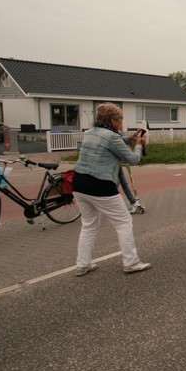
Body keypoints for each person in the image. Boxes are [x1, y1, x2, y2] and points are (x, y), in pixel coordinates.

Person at [72, 103, 151, 276]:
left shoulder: (91, 132)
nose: (122, 123)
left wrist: (129, 139)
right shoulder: (112, 136)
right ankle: (131, 262)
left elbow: (109, 144)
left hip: (79, 183)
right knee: (123, 222)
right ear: (112, 120)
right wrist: (139, 145)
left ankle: (82, 264)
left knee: (89, 225)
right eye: (120, 119)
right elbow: (132, 159)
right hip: (100, 183)